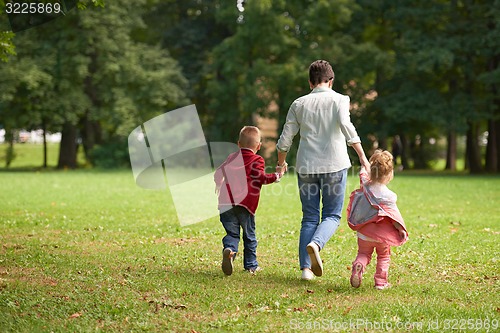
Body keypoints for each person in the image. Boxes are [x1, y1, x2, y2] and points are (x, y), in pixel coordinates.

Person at [276, 59, 370, 280]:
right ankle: (316, 245)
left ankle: (306, 270)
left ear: (310, 82)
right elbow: (348, 128)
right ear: (331, 81)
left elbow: (284, 140)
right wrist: (363, 157)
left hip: (306, 166)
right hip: (334, 166)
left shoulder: (298, 104)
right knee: (332, 215)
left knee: (309, 217)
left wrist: (280, 164)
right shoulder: (340, 100)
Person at [214, 126, 286, 276]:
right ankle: (251, 265)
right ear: (258, 146)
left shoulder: (231, 157)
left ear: (239, 144)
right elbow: (261, 177)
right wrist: (277, 175)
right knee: (249, 236)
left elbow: (218, 172)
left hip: (226, 203)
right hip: (245, 205)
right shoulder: (257, 159)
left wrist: (218, 182)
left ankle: (230, 251)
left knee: (232, 234)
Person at [347, 149, 408, 290]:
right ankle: (380, 282)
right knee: (383, 256)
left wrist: (365, 164)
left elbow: (363, 173)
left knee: (363, 253)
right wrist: (401, 229)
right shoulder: (389, 196)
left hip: (364, 232)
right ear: (389, 174)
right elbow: (394, 216)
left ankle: (359, 265)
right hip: (382, 235)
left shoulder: (365, 185)